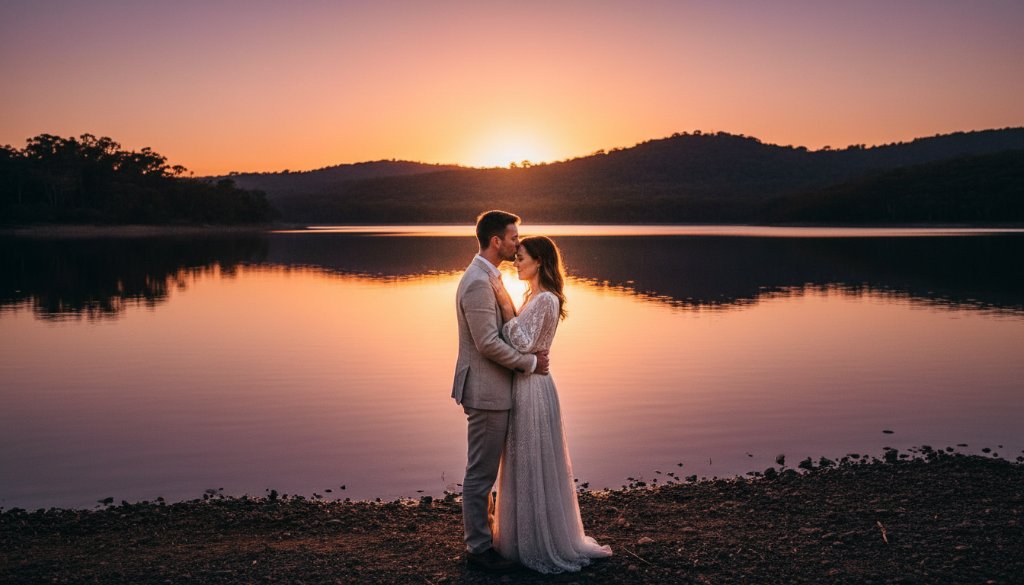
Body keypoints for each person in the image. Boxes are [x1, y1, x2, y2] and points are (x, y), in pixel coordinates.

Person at [488, 235, 613, 573]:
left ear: (539, 261)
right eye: (516, 257)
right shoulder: (531, 296)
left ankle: (542, 541)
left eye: (521, 257)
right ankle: (518, 537)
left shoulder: (546, 300)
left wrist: (503, 307)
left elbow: (523, 341)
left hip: (534, 388)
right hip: (525, 383)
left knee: (534, 459)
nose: (516, 262)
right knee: (521, 459)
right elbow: (520, 339)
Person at [451, 210, 550, 573]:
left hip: (496, 389)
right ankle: (478, 549)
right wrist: (531, 364)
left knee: (486, 470)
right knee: (481, 473)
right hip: (486, 391)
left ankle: (488, 537)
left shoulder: (490, 277)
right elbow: (488, 343)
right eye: (513, 238)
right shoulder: (478, 281)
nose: (517, 243)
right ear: (497, 241)